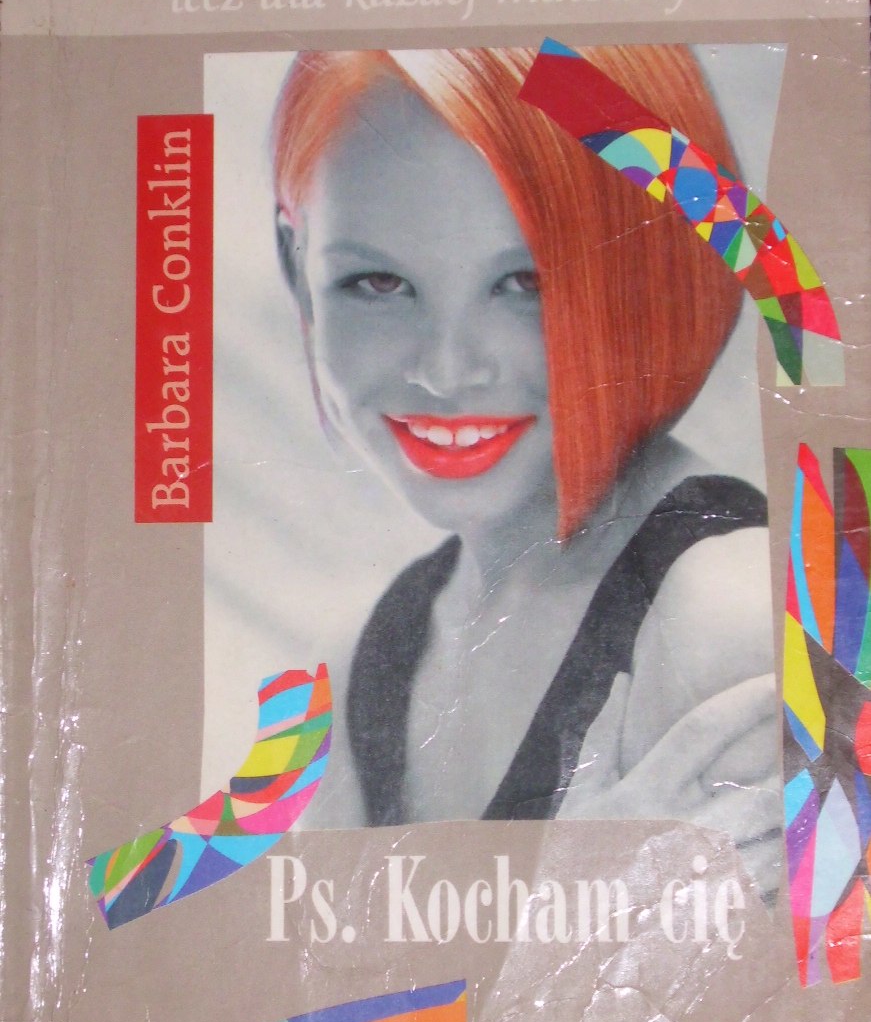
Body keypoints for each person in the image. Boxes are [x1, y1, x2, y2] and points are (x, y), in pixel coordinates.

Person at [272, 46, 780, 894]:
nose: (446, 371)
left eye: (526, 282)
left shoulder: (725, 616)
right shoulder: (359, 662)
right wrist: (560, 919)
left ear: (651, 273)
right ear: (298, 266)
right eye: (377, 282)